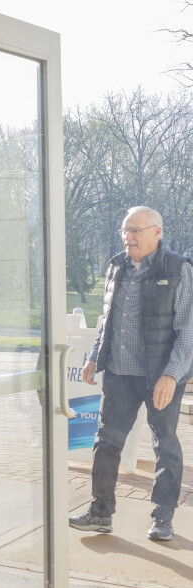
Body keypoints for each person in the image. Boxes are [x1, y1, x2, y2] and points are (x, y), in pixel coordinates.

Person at [69, 206, 193, 542]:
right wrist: (96, 356)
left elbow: (188, 329)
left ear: (157, 232)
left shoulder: (178, 268)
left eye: (136, 230)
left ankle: (163, 518)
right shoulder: (115, 266)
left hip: (161, 376)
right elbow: (107, 319)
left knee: (164, 444)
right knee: (106, 442)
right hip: (120, 375)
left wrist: (172, 374)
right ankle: (100, 512)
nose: (128, 237)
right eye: (125, 230)